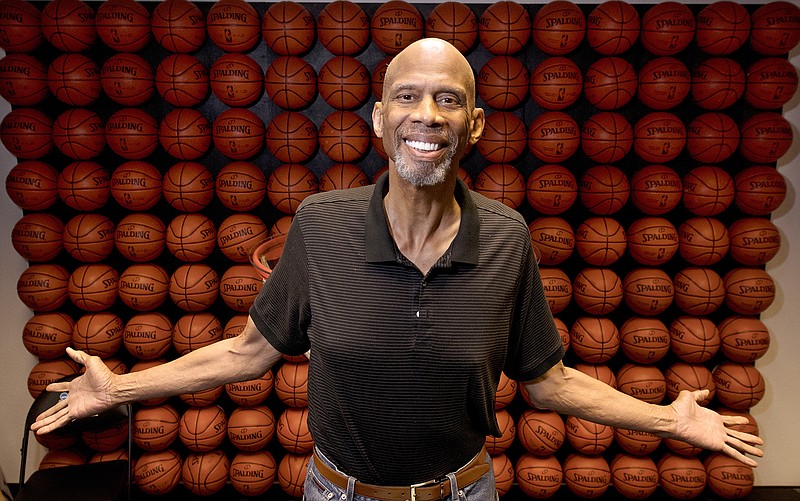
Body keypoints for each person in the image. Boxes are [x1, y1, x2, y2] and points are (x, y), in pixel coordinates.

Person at [33, 38, 763, 501]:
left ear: (473, 124)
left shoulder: (507, 239)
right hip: (337, 493)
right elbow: (247, 350)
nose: (428, 114)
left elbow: (551, 380)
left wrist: (671, 418)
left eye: (450, 99)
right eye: (408, 96)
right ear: (379, 119)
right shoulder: (321, 222)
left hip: (464, 491)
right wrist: (118, 387)